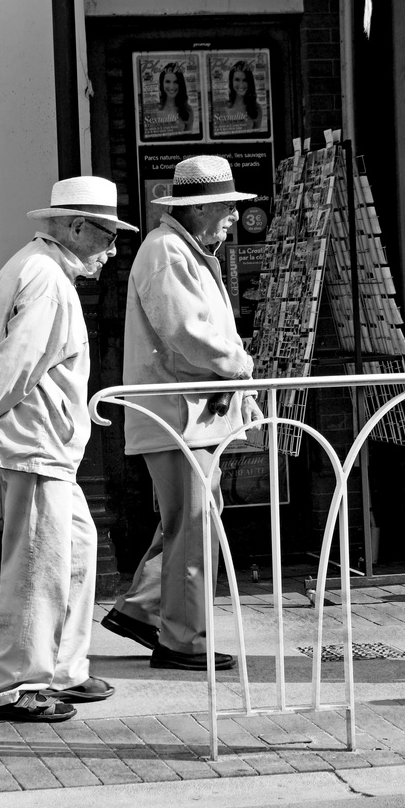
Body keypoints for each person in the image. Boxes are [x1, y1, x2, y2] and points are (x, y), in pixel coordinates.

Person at [0, 176, 139, 723]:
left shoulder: (28, 266)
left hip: (43, 445)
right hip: (38, 444)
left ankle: (62, 669)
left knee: (72, 551)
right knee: (38, 568)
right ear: (75, 227)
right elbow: (13, 366)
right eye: (106, 234)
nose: (112, 249)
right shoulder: (45, 278)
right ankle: (14, 686)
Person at [101, 155, 264, 671]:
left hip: (185, 413)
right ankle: (182, 640)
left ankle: (145, 610)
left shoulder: (178, 249)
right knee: (194, 526)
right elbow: (191, 336)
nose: (234, 217)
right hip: (179, 416)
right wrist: (241, 365)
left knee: (191, 521)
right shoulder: (169, 252)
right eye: (226, 206)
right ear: (197, 208)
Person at [156, 62, 195, 134]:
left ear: (180, 84)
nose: (172, 86)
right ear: (162, 83)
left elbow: (189, 139)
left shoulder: (188, 111)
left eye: (176, 82)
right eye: (168, 81)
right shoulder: (154, 108)